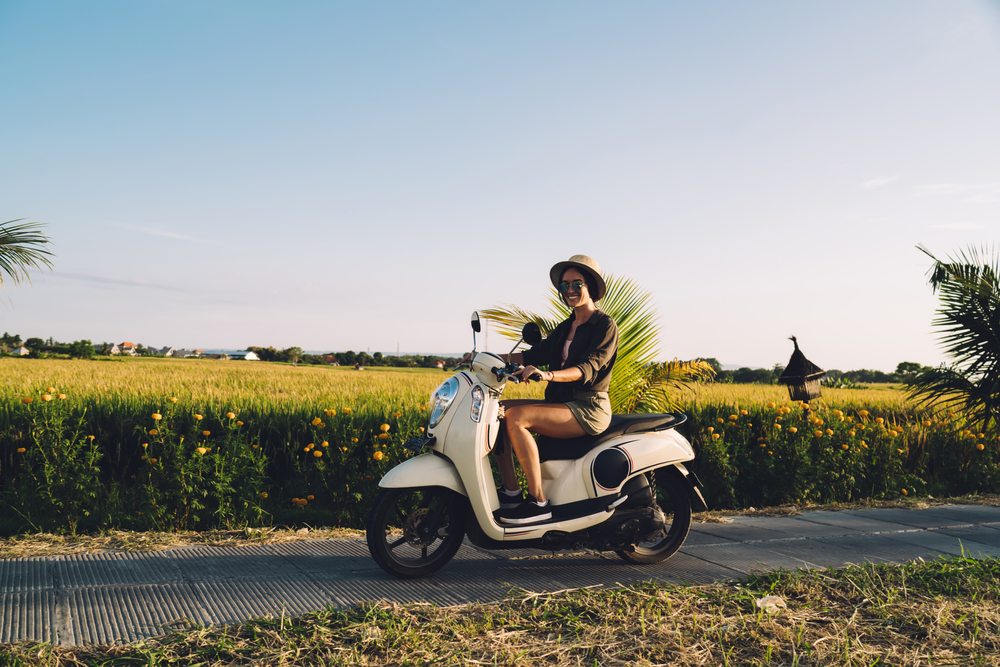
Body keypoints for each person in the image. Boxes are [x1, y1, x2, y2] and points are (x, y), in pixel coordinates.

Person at [494, 255, 618, 525]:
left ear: (591, 288)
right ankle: (512, 493)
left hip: (588, 407)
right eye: (564, 286)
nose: (570, 291)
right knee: (497, 411)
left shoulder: (605, 326)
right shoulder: (564, 327)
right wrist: (485, 357)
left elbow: (587, 368)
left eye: (577, 284)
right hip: (561, 404)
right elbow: (531, 355)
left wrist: (547, 375)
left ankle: (538, 502)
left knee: (517, 417)